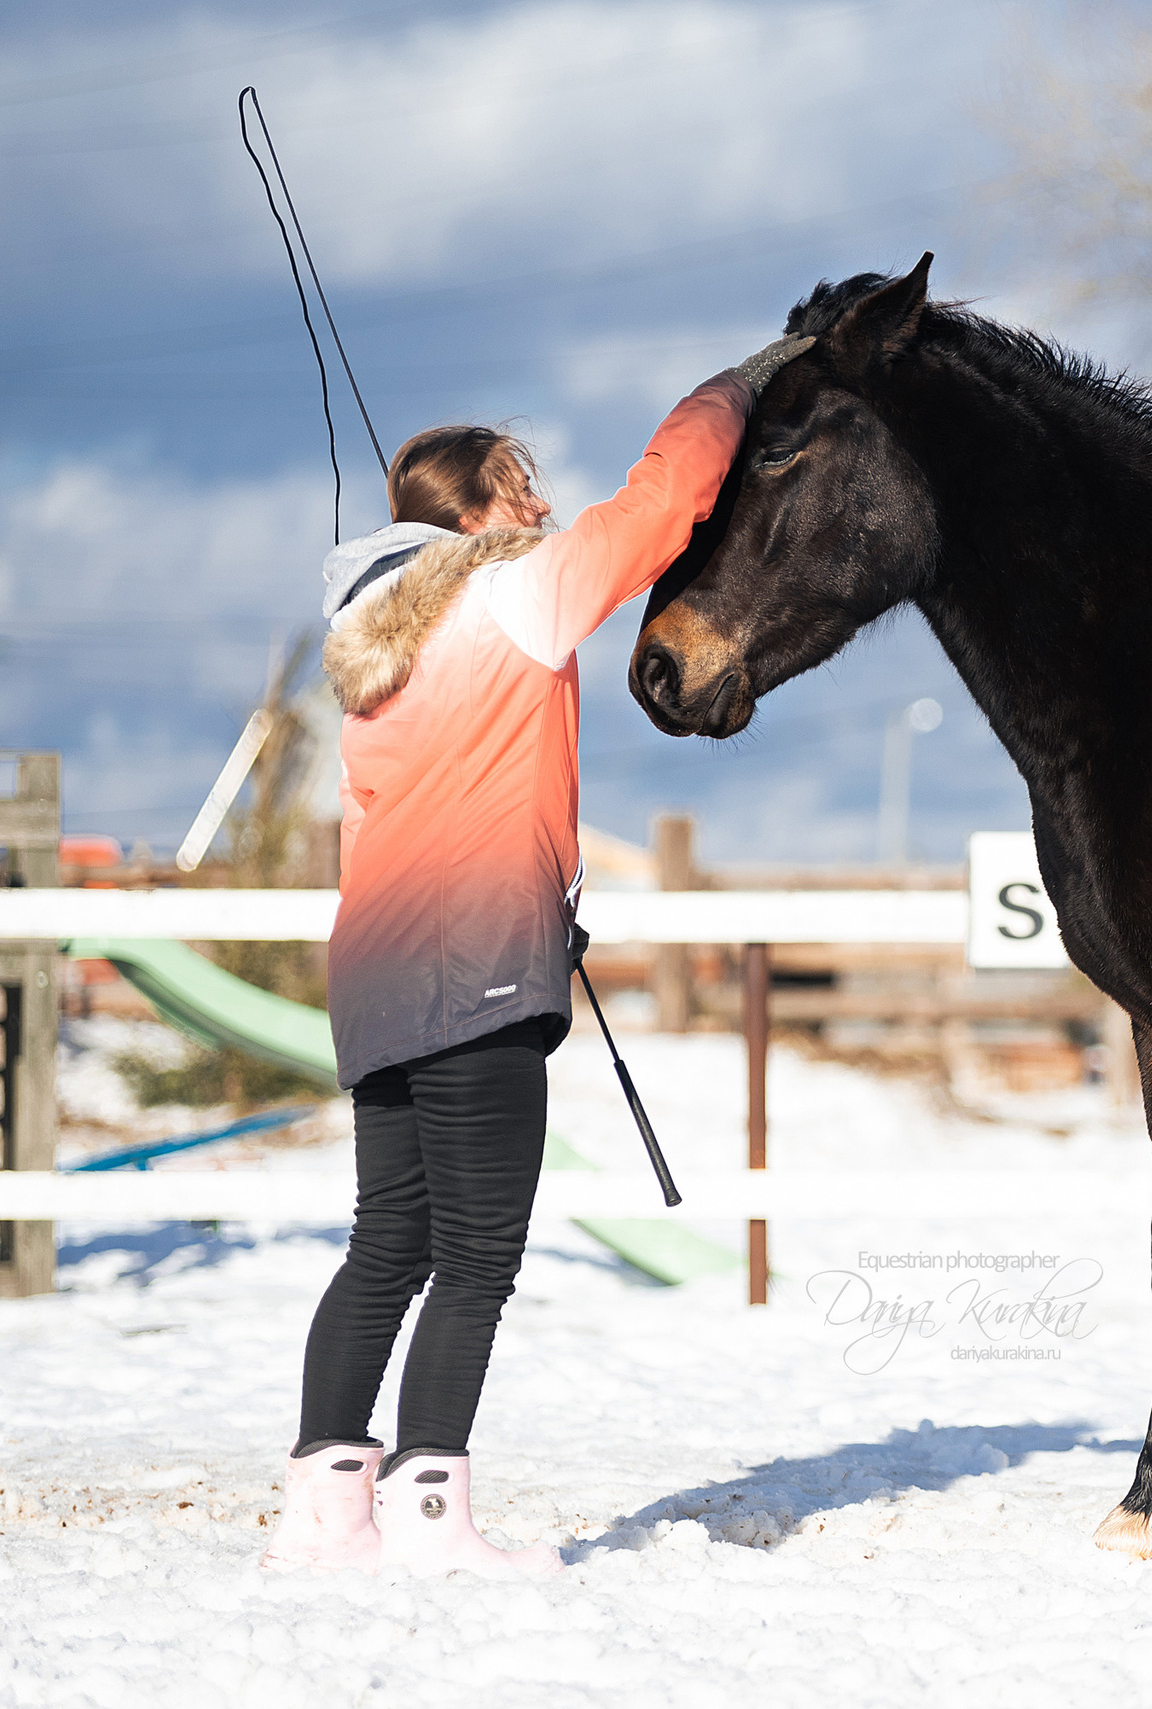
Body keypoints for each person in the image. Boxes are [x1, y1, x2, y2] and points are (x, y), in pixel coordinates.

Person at [257, 331, 811, 1577]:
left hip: (377, 977)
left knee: (388, 1242)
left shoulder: (370, 659)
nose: (542, 507)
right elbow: (660, 504)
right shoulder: (513, 592)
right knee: (477, 1255)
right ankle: (430, 1517)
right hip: (476, 971)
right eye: (519, 487)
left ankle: (323, 1512)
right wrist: (737, 387)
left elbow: (377, 824)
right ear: (467, 516)